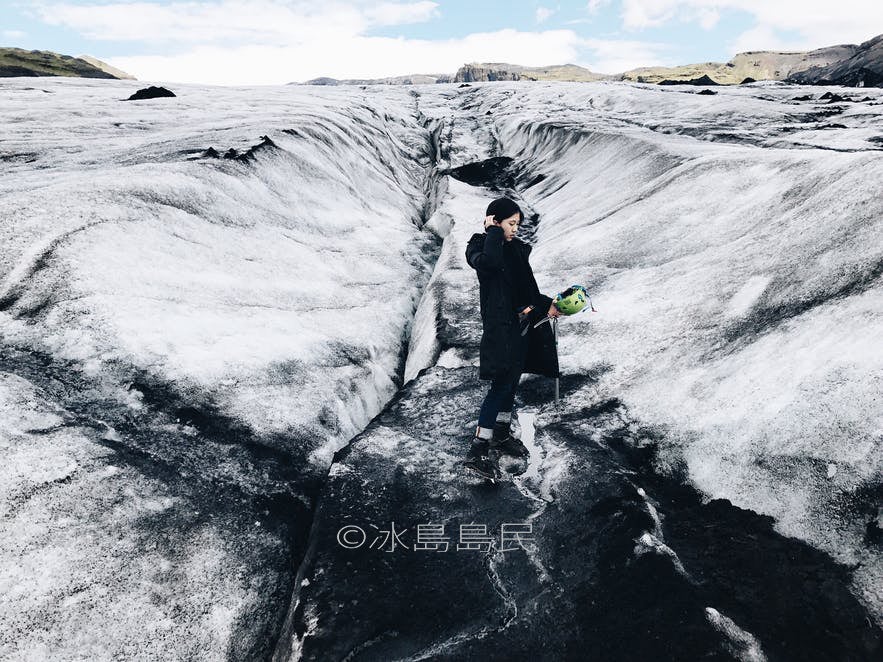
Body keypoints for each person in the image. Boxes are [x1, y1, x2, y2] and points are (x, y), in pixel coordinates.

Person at [462, 197, 561, 480]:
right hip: (500, 330)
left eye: (517, 224)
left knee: (511, 382)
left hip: (520, 328)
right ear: (495, 221)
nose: (515, 229)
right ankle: (478, 449)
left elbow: (526, 290)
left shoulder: (515, 250)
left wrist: (550, 304)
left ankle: (501, 435)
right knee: (500, 385)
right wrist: (493, 232)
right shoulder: (479, 247)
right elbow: (490, 264)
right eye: (510, 223)